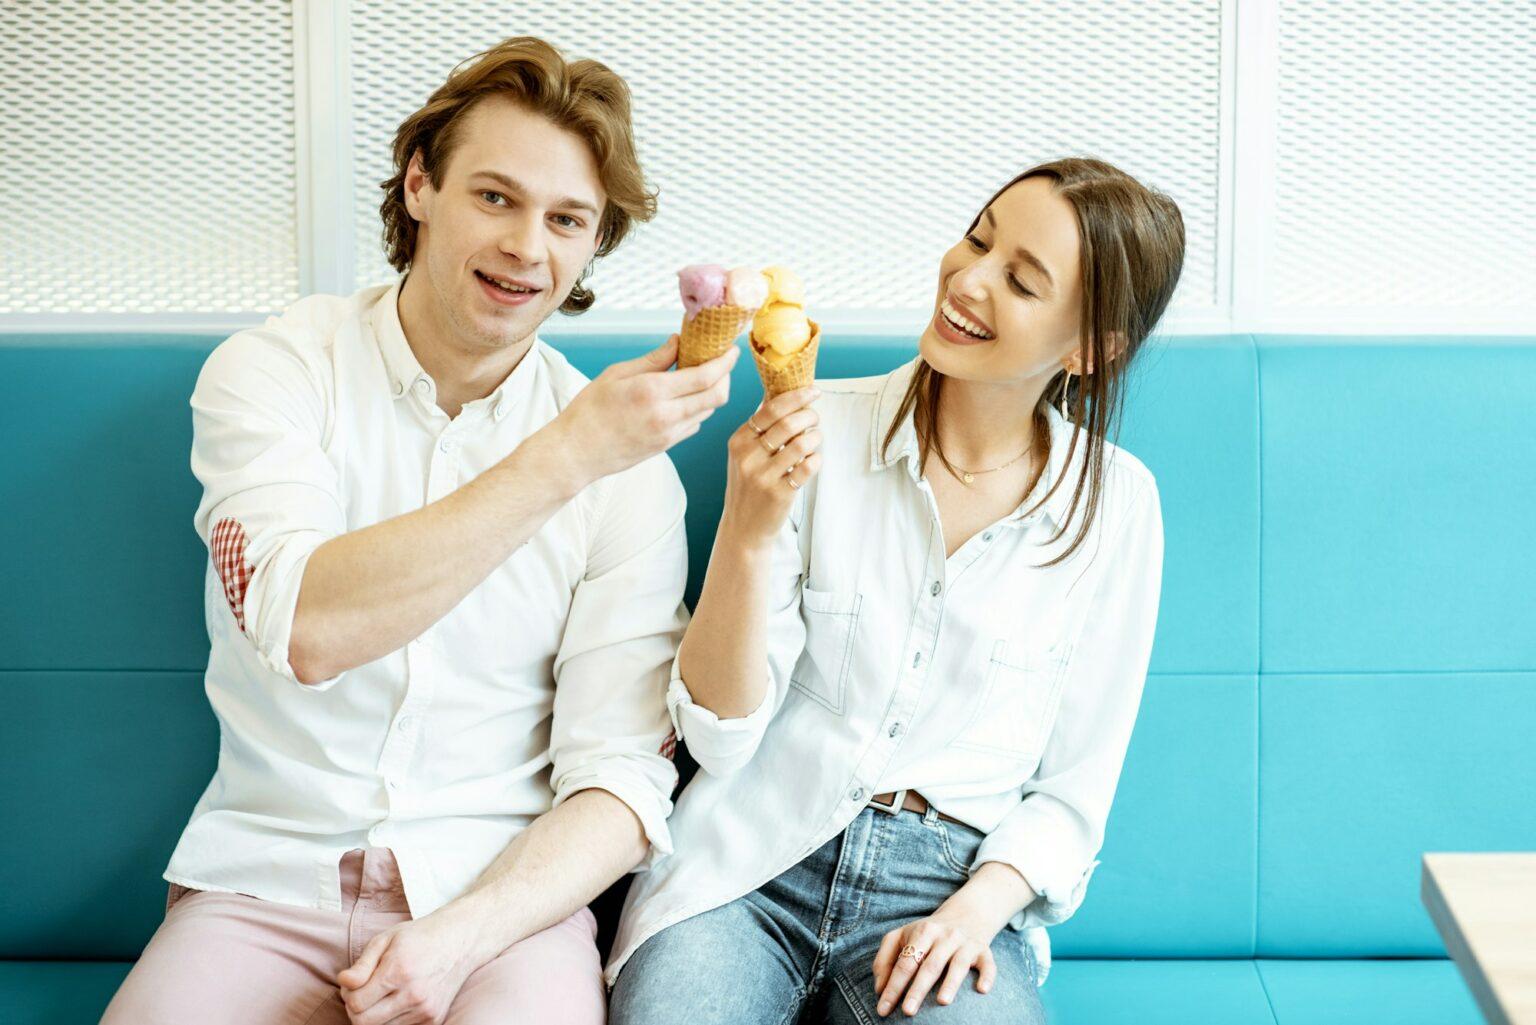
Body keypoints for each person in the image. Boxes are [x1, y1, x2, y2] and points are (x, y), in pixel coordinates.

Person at [101, 36, 737, 1025]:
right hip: (263, 885)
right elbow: (307, 624)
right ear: (419, 186)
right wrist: (568, 453)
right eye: (496, 196)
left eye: (568, 218)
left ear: (591, 247)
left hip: (498, 911)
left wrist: (462, 936)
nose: (530, 245)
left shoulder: (631, 475)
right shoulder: (275, 374)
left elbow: (619, 781)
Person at [608, 158, 1184, 1024]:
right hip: (746, 864)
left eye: (1021, 280)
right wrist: (750, 527)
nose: (969, 277)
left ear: (1089, 349)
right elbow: (718, 740)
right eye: (978, 238)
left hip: (945, 892)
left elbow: (1075, 790)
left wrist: (975, 912)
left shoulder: (1118, 506)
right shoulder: (815, 427)